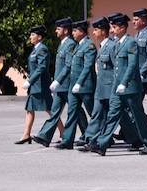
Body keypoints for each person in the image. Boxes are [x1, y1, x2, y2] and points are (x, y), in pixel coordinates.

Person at [89, 13, 147, 155]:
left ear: (123, 28)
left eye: (114, 27)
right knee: (112, 115)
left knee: (138, 117)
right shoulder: (117, 44)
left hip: (130, 88)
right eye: (112, 27)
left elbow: (132, 65)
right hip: (117, 88)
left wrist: (124, 83)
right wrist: (116, 84)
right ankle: (102, 144)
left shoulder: (131, 42)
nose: (112, 30)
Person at [32, 18, 77, 146]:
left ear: (66, 30)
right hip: (59, 86)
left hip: (67, 84)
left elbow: (68, 66)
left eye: (58, 28)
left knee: (76, 113)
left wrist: (57, 81)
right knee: (55, 111)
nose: (56, 31)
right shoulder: (63, 44)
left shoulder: (70, 44)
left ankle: (88, 135)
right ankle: (44, 136)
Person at [56, 20, 96, 149]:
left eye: (75, 30)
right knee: (72, 113)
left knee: (94, 113)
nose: (72, 33)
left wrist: (79, 83)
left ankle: (97, 137)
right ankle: (67, 140)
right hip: (73, 86)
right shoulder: (77, 46)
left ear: (82, 32)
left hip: (85, 86)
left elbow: (87, 67)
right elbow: (69, 66)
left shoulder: (89, 46)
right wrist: (59, 80)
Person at [16, 25, 53, 144]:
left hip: (41, 85)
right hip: (35, 85)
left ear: (39, 37)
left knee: (50, 110)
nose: (30, 37)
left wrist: (30, 81)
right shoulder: (36, 49)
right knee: (30, 109)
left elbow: (42, 67)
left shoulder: (42, 49)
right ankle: (26, 135)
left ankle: (63, 134)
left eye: (33, 35)